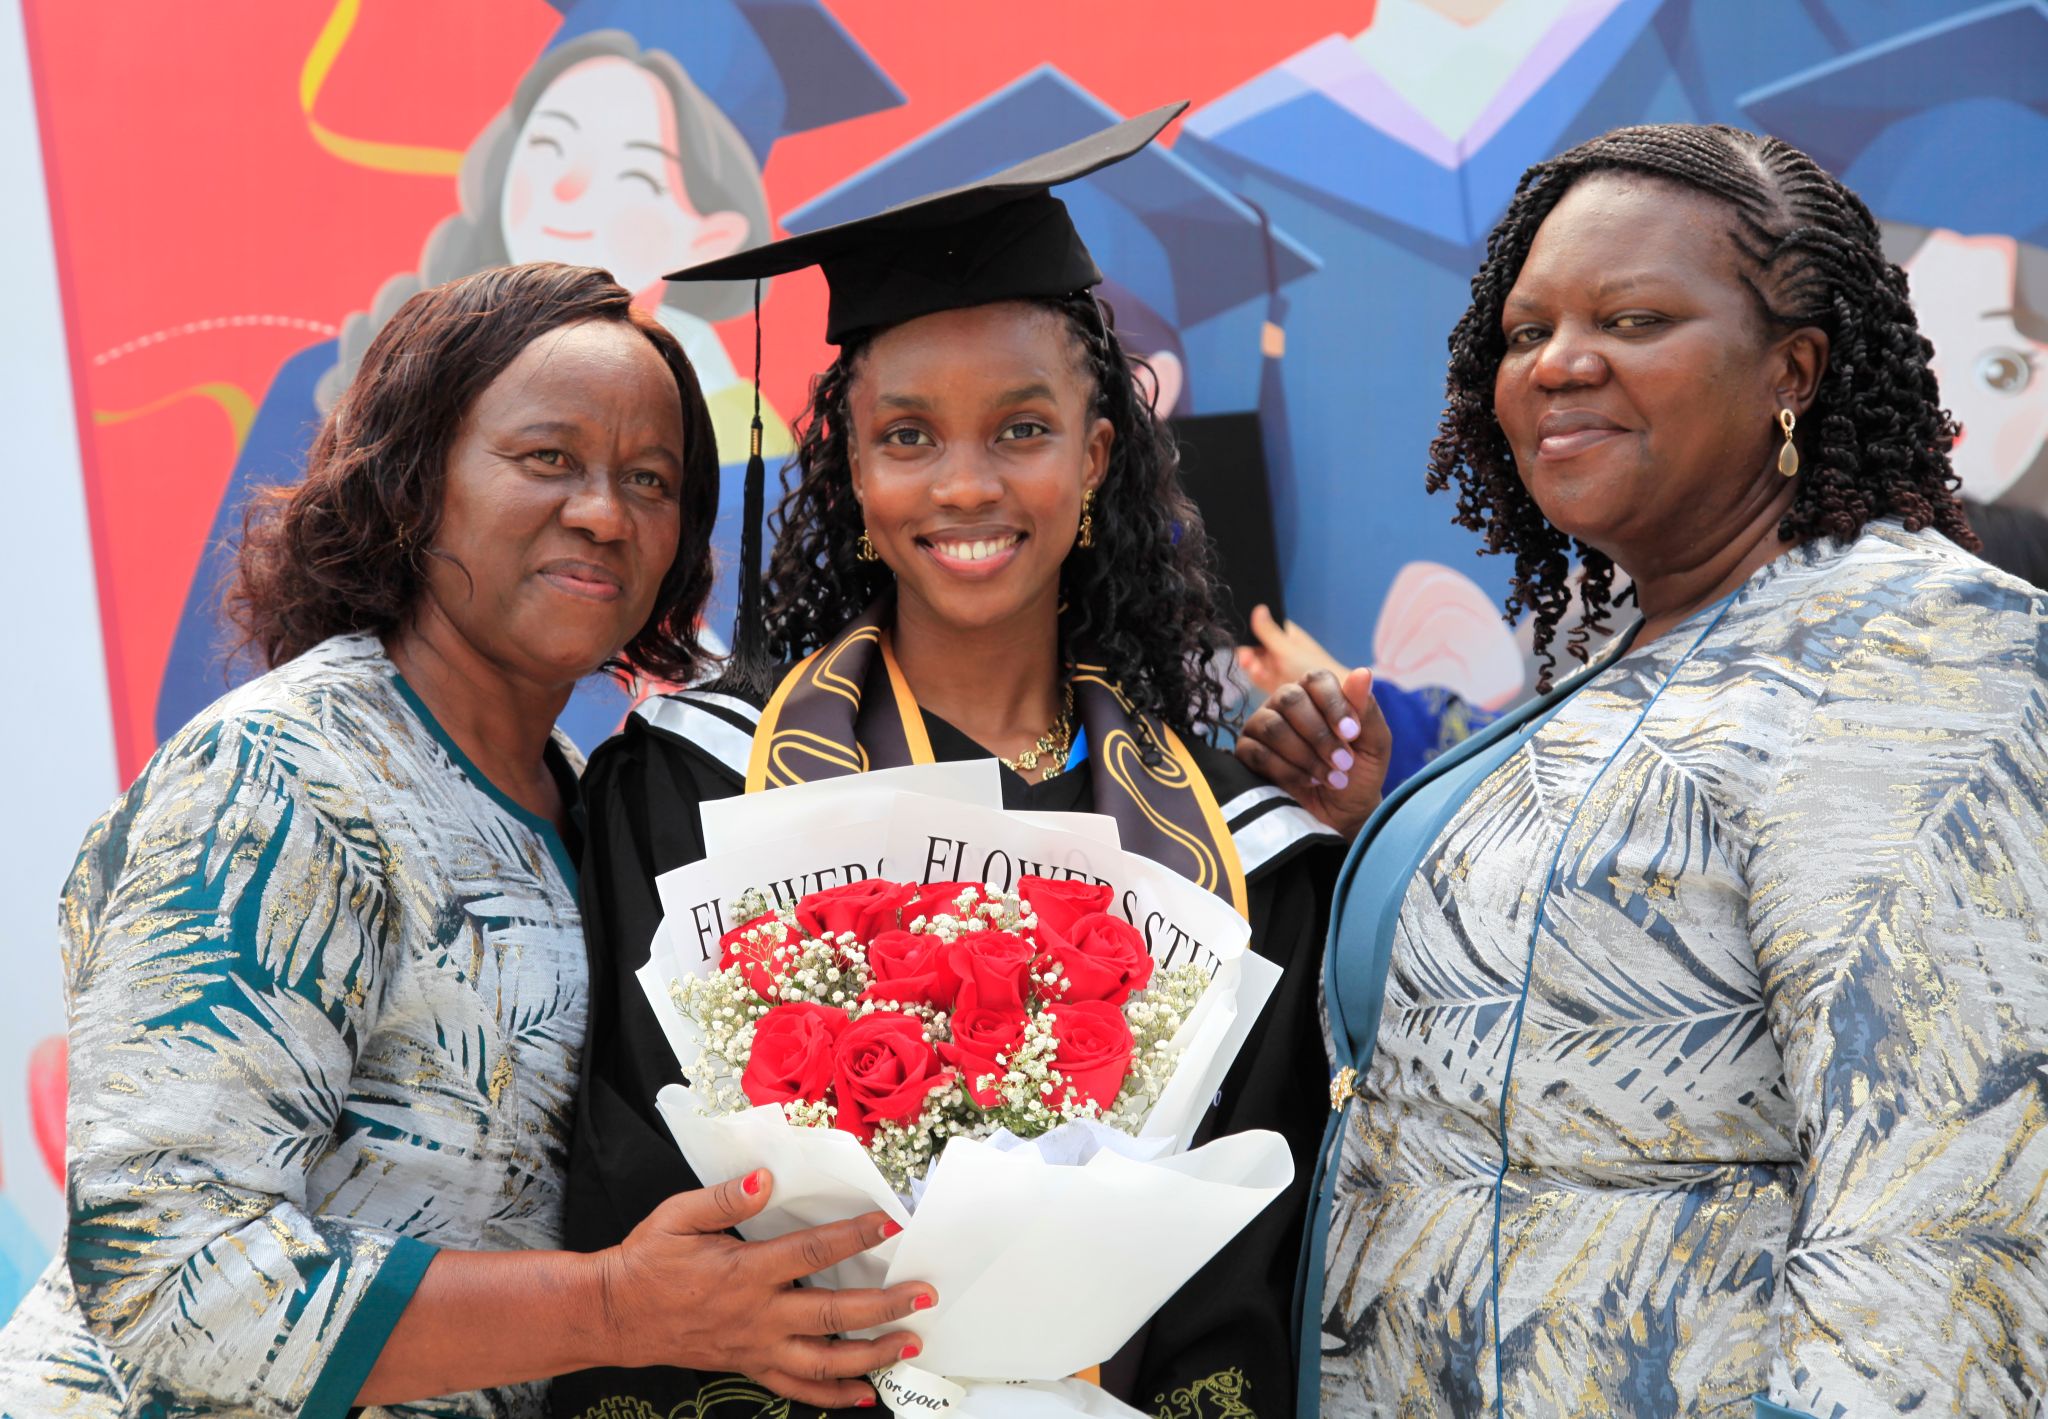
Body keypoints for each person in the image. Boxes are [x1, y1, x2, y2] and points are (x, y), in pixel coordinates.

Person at [0, 263, 931, 1418]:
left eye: (650, 480)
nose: (603, 513)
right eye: (547, 458)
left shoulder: (590, 802)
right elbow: (173, 1276)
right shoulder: (284, 776)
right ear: (414, 479)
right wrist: (619, 1307)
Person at [554, 110, 1357, 1419]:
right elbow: (639, 1165)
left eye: (1023, 430)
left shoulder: (1240, 852)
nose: (965, 485)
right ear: (852, 470)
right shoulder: (693, 785)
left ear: (1097, 457)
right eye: (910, 436)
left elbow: (1243, 1262)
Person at [1239, 123, 2048, 1417]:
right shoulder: (1642, 640)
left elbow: (1940, 1224)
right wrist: (1399, 828)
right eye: (1525, 332)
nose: (1558, 362)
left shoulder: (1911, 653)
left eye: (1633, 319)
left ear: (1792, 369)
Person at [155, 0, 904, 752]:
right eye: (547, 146)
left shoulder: (768, 480)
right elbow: (207, 688)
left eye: (634, 173)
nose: (567, 192)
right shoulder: (326, 392)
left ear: (714, 233)